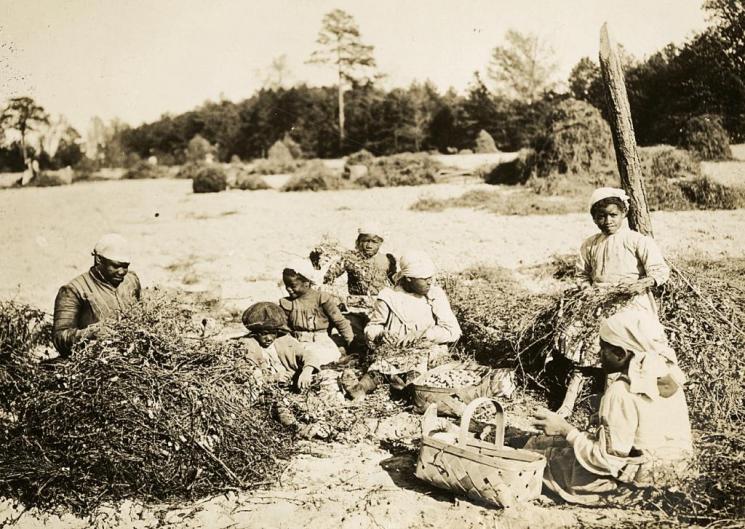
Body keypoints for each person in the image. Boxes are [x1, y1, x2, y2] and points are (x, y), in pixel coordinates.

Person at [525, 310, 692, 506]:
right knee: (547, 445)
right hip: (670, 479)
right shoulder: (667, 378)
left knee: (536, 459)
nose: (598, 354)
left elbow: (607, 462)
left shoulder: (621, 391)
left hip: (628, 488)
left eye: (603, 348)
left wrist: (565, 430)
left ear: (620, 354)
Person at [557, 187, 671, 417]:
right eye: (601, 216)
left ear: (624, 213)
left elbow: (660, 271)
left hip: (632, 305)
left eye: (613, 215)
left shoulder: (637, 241)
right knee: (586, 353)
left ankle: (623, 407)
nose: (607, 221)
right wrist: (590, 293)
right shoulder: (590, 244)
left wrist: (641, 284)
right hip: (599, 304)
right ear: (594, 218)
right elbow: (581, 275)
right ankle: (567, 406)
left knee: (631, 356)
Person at [342, 250, 461, 400]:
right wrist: (380, 334)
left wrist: (424, 334)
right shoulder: (389, 297)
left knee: (417, 368)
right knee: (381, 366)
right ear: (409, 278)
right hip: (395, 350)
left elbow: (453, 331)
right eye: (424, 279)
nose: (430, 282)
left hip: (427, 348)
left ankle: (411, 392)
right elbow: (373, 327)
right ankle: (360, 389)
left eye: (430, 277)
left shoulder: (435, 295)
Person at [52, 233, 141, 357]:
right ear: (99, 259)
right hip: (95, 360)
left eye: (125, 266)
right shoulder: (73, 290)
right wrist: (91, 333)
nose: (121, 272)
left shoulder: (131, 281)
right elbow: (59, 338)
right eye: (115, 266)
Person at [323, 222, 397, 352]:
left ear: (380, 243)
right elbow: (329, 277)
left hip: (378, 308)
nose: (369, 245)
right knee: (349, 339)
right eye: (365, 241)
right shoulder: (350, 258)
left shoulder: (387, 260)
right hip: (354, 308)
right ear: (358, 242)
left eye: (374, 242)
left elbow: (395, 282)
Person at [280, 260, 355, 366]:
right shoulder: (287, 303)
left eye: (292, 285)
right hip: (298, 343)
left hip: (320, 343)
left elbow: (340, 322)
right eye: (286, 285)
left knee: (319, 359)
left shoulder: (321, 299)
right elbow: (283, 328)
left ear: (306, 283)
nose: (288, 289)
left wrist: (351, 343)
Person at [240, 302, 321, 390]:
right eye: (264, 334)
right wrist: (273, 378)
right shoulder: (247, 345)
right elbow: (246, 375)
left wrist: (306, 371)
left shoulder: (284, 340)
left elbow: (308, 355)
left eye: (273, 333)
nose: (269, 338)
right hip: (265, 389)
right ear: (255, 333)